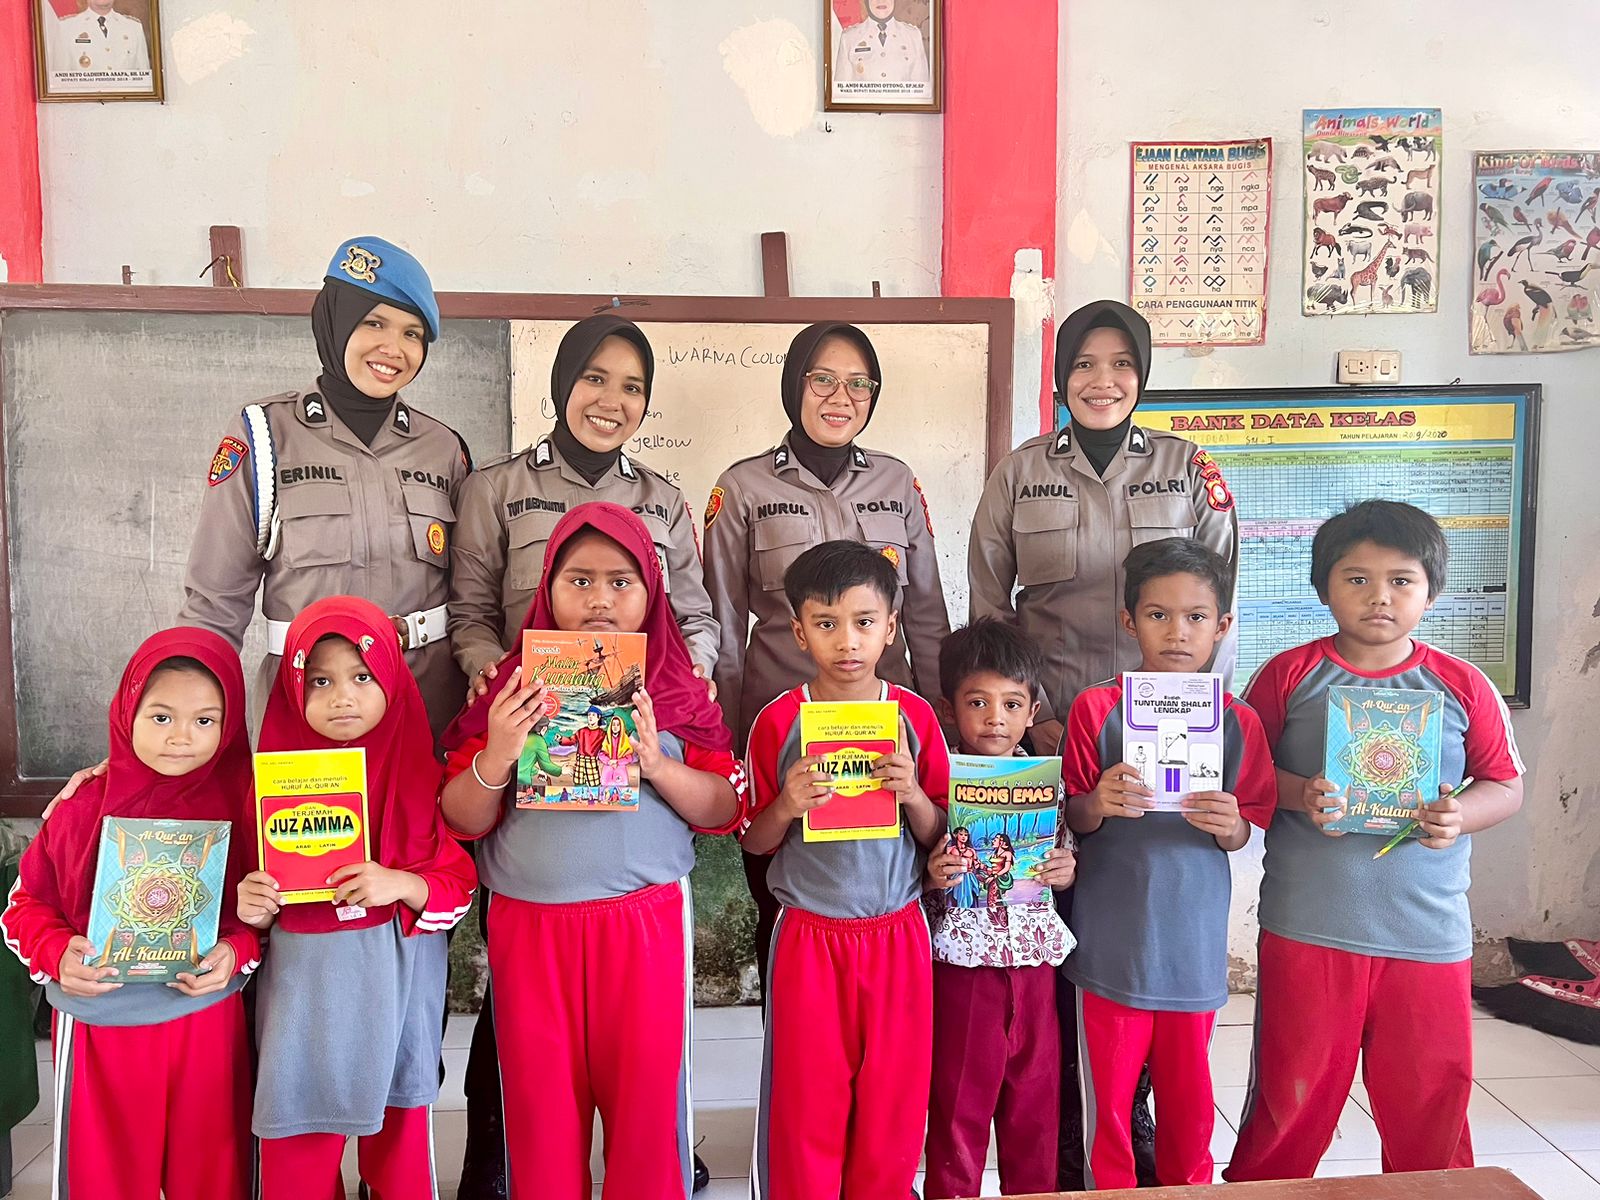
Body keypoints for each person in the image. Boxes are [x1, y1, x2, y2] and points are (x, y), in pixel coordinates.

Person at [967, 298, 1238, 1184]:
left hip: (1162, 750)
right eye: (1084, 363)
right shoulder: (1019, 475)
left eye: (1122, 363)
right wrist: (1030, 718)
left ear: (1142, 375)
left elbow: (1217, 607)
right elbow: (989, 607)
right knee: (1050, 910)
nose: (1103, 380)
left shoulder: (1188, 469)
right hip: (1046, 733)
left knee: (1139, 924)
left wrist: (1194, 731)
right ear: (1060, 376)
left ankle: (1139, 1109)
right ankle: (1067, 1113)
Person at [439, 502, 746, 1200]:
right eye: (579, 581)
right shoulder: (510, 688)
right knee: (540, 1112)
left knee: (647, 1108)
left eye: (621, 581)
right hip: (529, 927)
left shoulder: (675, 690)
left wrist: (657, 763)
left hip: (644, 924)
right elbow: (460, 818)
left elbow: (724, 810)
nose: (600, 600)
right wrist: (499, 754)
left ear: (652, 592)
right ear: (547, 588)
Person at [1226, 501, 1525, 1180]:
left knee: (1430, 1100)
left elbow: (1505, 785)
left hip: (1426, 932)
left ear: (1431, 591)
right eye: (1356, 578)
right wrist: (1301, 793)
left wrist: (1459, 815)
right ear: (1323, 587)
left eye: (1401, 580)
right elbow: (1245, 773)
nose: (1379, 596)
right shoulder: (1289, 675)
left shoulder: (1462, 685)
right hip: (1309, 927)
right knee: (1292, 1098)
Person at [703, 321, 950, 994]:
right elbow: (721, 621)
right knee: (783, 907)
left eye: (858, 384)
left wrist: (943, 724)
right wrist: (725, 741)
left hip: (884, 733)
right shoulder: (743, 487)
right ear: (795, 385)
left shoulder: (898, 482)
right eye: (823, 379)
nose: (841, 397)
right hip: (782, 731)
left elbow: (926, 614)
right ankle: (794, 1041)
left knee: (887, 896)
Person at [0, 629, 257, 1200]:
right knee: (105, 1179)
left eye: (205, 720)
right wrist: (55, 953)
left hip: (205, 1022)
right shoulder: (82, 807)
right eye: (160, 717)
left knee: (212, 1176)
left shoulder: (246, 807)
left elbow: (262, 914)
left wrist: (236, 950)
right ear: (126, 713)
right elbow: (26, 905)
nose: (181, 737)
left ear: (230, 725)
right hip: (101, 1029)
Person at [181, 235, 471, 736]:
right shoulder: (265, 436)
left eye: (412, 333)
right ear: (335, 322)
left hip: (424, 708)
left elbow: (474, 596)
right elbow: (214, 606)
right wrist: (179, 717)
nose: (393, 349)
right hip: (306, 709)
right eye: (374, 323)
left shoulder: (443, 448)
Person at [236, 597, 477, 1200]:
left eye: (363, 677)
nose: (342, 697)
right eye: (320, 681)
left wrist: (403, 884)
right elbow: (238, 904)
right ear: (293, 687)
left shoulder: (424, 780)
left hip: (397, 999)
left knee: (399, 1152)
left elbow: (458, 886)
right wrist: (252, 907)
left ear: (393, 678)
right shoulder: (265, 788)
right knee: (299, 1148)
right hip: (304, 1008)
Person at [1060, 538, 1276, 1188]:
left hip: (1192, 951)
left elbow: (1250, 827)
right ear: (1129, 621)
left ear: (1222, 625)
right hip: (1109, 948)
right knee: (1107, 1113)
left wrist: (1232, 825)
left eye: (1195, 617)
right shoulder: (1096, 709)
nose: (1177, 632)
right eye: (1158, 615)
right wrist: (1096, 803)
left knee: (1190, 1108)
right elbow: (1071, 816)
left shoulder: (1237, 722)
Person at [741, 540, 949, 1198]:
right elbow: (753, 842)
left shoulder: (914, 717)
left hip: (897, 931)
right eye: (827, 624)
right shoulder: (778, 722)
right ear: (799, 632)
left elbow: (942, 833)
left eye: (864, 622)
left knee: (893, 1098)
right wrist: (785, 805)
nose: (848, 641)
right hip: (809, 933)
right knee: (807, 1099)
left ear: (891, 628)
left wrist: (913, 795)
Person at [449, 314, 717, 687]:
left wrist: (694, 672)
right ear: (564, 381)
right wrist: (492, 673)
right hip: (528, 702)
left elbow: (693, 618)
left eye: (631, 387)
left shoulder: (664, 499)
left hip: (643, 706)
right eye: (594, 379)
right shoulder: (496, 487)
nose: (611, 402)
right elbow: (472, 615)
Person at [921, 618, 1077, 1199]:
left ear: (1033, 711)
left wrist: (1065, 869)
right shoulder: (935, 785)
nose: (995, 718)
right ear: (949, 709)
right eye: (977, 702)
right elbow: (918, 875)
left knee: (1035, 1104)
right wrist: (934, 873)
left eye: (1011, 704)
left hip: (1035, 967)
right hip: (964, 973)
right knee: (959, 1104)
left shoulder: (1050, 785)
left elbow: (1064, 855)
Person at [833, 0, 930, 88]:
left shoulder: (912, 36)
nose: (881, 1)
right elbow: (841, 91)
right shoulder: (849, 38)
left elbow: (922, 90)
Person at [50, 0, 150, 78]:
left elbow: (144, 78)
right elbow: (60, 80)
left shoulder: (133, 28)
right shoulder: (66, 28)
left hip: (125, 97)